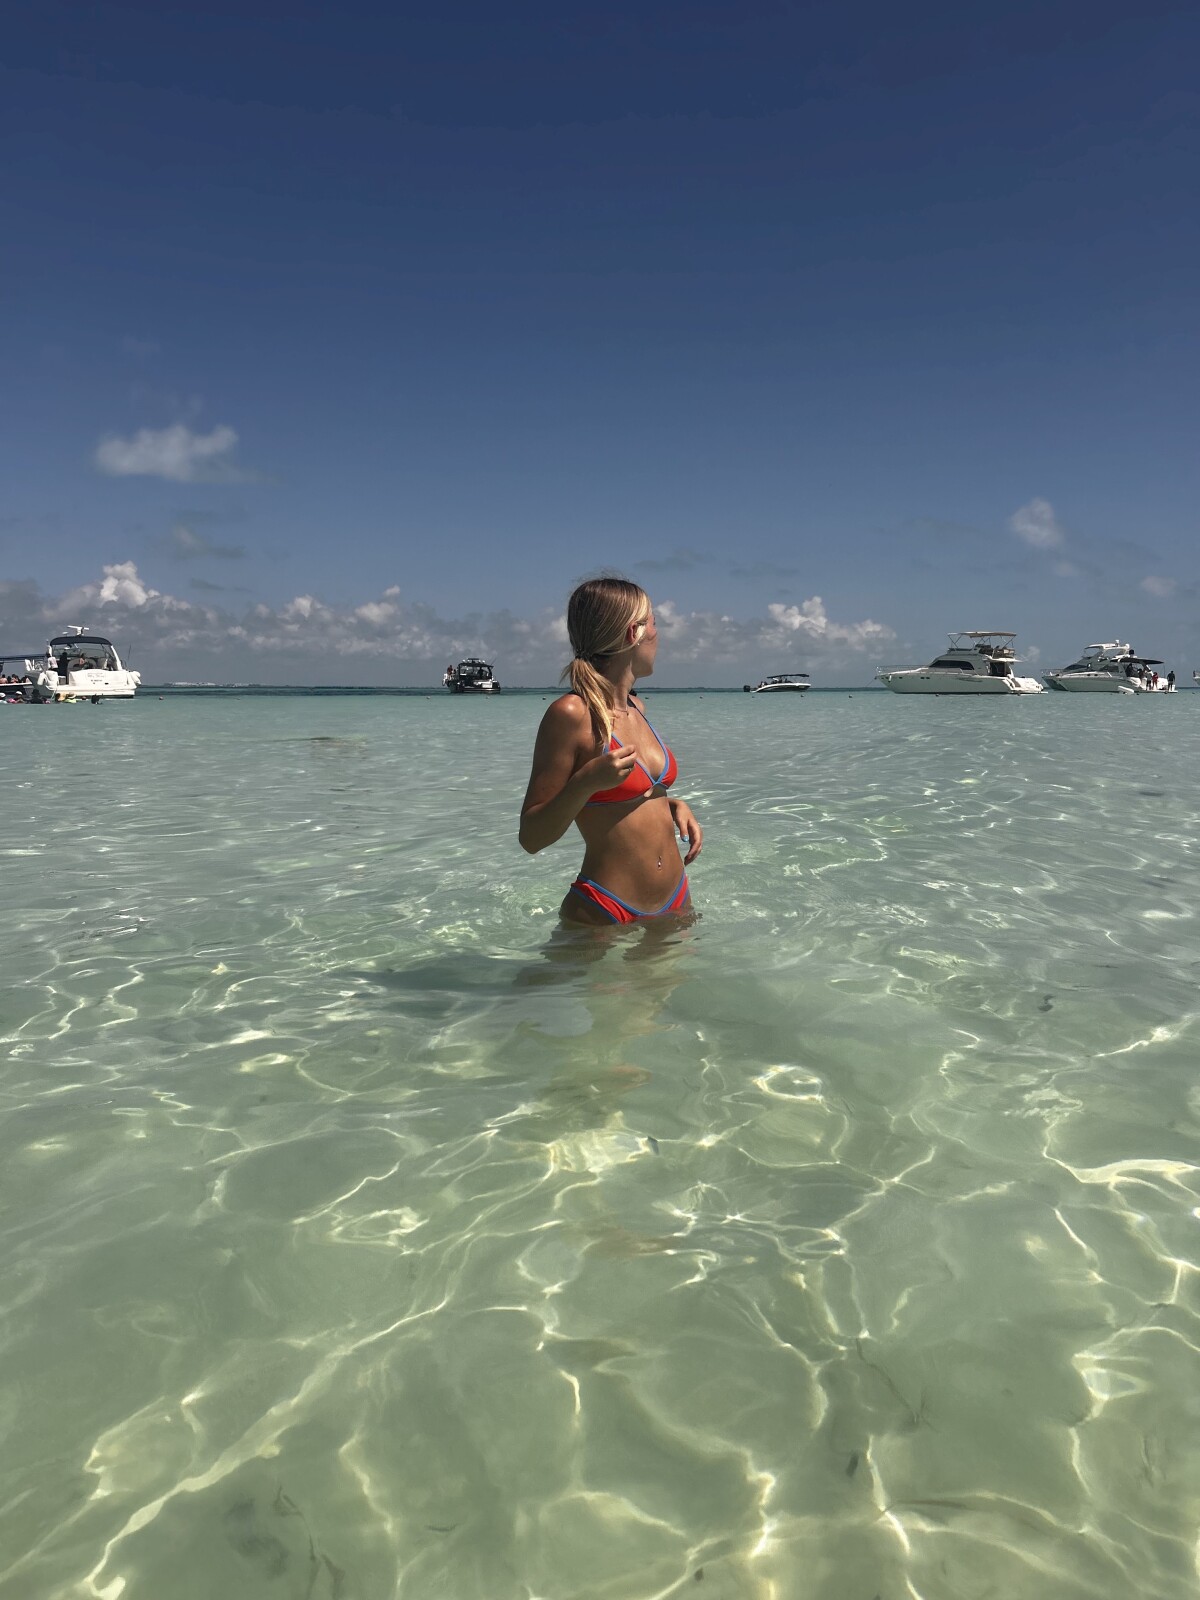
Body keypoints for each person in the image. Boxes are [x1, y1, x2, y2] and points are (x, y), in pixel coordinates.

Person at [520, 576, 702, 925]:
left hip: (676, 898)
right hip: (605, 908)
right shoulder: (572, 714)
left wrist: (671, 805)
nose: (658, 635)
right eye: (653, 623)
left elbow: (626, 801)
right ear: (633, 633)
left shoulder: (637, 709)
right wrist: (584, 783)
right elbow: (531, 837)